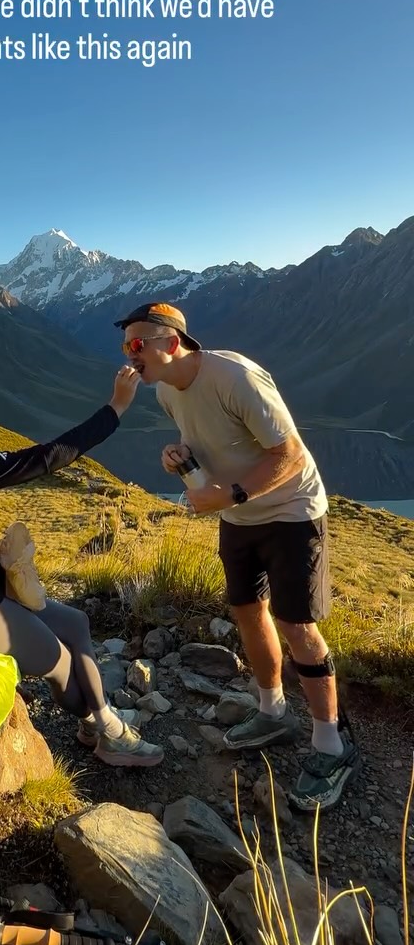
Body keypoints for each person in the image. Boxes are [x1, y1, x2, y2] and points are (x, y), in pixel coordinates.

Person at [114, 300, 360, 811]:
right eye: (125, 346)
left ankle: (332, 744)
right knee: (247, 611)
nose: (129, 355)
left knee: (298, 626)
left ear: (171, 343)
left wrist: (231, 496)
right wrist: (180, 459)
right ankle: (273, 710)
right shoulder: (165, 392)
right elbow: (201, 439)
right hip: (239, 518)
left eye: (137, 344)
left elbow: (288, 454)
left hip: (292, 512)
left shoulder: (236, 377)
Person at [0, 370, 164, 768]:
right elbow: (46, 458)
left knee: (76, 622)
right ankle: (106, 730)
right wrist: (116, 408)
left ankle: (98, 723)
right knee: (59, 664)